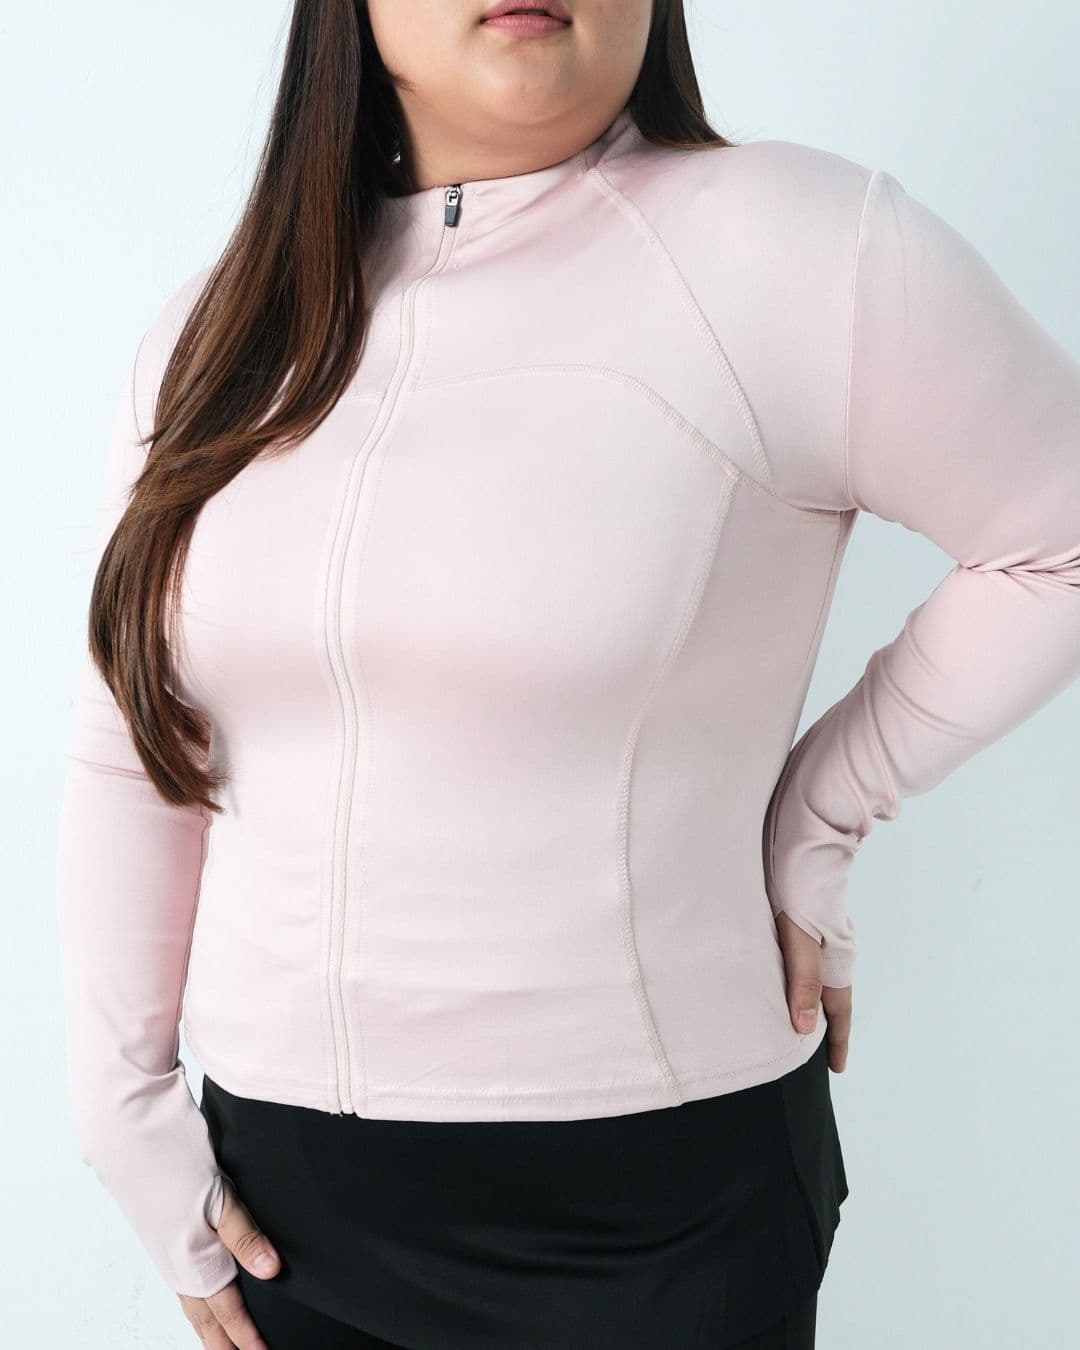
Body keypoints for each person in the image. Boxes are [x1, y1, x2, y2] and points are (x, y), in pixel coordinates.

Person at [54, 2, 1080, 1348]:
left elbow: (1058, 539)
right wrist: (124, 1115)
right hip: (279, 1199)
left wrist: (816, 812)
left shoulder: (796, 249)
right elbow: (136, 734)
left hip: (655, 1202)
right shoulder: (221, 332)